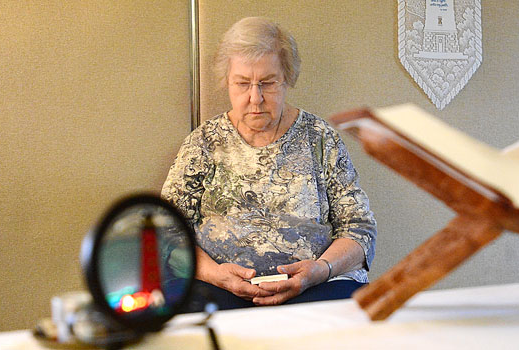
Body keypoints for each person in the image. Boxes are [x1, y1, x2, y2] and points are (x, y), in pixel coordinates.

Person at [161, 17, 376, 311]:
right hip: (218, 287)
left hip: (314, 287)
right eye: (242, 83)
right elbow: (167, 230)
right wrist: (216, 274)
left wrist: (320, 270)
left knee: (351, 315)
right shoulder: (204, 143)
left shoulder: (321, 138)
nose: (255, 98)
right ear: (227, 82)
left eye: (267, 83)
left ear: (287, 78)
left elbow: (359, 229)